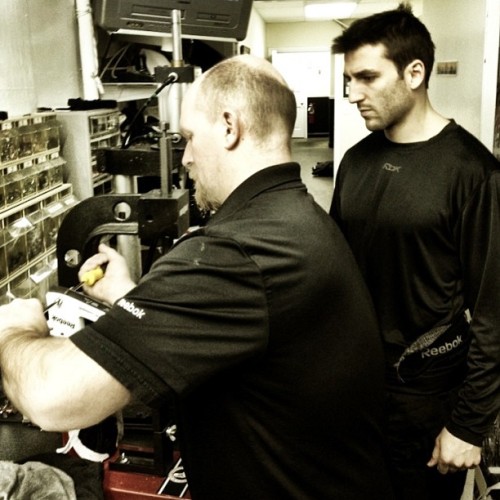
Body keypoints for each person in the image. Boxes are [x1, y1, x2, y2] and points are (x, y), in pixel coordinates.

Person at [0, 55, 394, 499]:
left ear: (229, 126)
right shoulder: (293, 218)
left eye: (188, 137)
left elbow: (53, 397)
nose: (184, 157)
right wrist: (129, 296)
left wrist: (16, 329)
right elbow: (235, 326)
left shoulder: (237, 253)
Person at [329, 3, 500, 499]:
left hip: (426, 399)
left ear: (415, 72)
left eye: (366, 77)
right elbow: (337, 273)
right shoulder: (357, 162)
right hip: (356, 390)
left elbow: (493, 311)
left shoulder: (472, 172)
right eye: (348, 79)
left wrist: (469, 425)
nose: (351, 93)